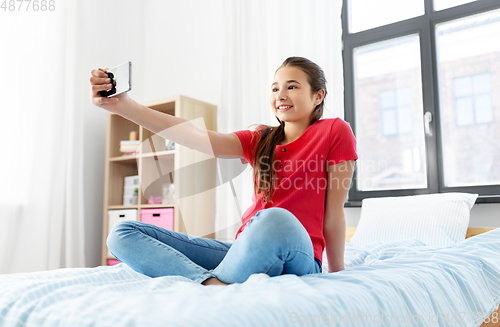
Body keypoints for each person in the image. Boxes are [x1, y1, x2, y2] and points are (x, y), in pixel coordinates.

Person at [89, 56, 357, 286]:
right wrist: (123, 106)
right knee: (121, 234)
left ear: (318, 95)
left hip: (299, 255)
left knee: (275, 219)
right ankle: (209, 283)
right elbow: (196, 135)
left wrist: (337, 274)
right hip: (242, 249)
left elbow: (334, 213)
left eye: (292, 86)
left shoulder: (334, 131)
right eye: (274, 89)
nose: (280, 96)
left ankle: (218, 279)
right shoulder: (260, 138)